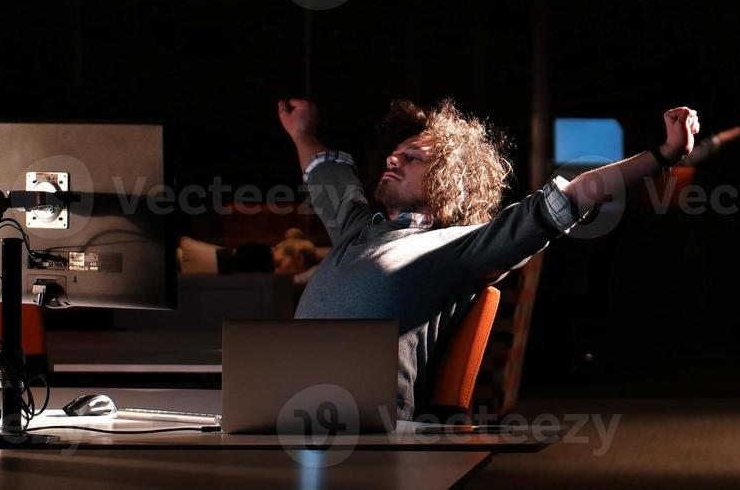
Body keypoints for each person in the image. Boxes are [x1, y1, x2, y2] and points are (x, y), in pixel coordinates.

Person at [277, 96, 698, 417]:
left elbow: (574, 196)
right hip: (287, 406)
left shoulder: (462, 247)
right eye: (395, 153)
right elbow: (327, 174)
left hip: (365, 428)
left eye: (413, 157)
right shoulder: (358, 230)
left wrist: (661, 156)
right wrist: (301, 132)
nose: (393, 158)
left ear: (450, 178)